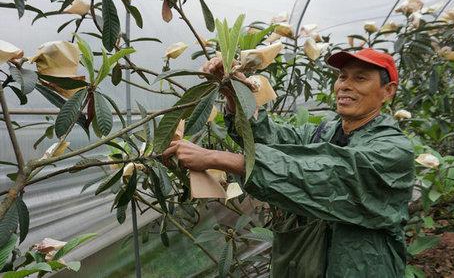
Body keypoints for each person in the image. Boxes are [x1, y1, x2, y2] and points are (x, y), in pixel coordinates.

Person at [162, 48, 415, 277]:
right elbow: (269, 138)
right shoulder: (321, 134)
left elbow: (325, 174)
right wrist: (233, 90)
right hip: (307, 264)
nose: (345, 86)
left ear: (388, 91)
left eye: (360, 78)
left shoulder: (393, 150)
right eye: (342, 77)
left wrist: (216, 157)